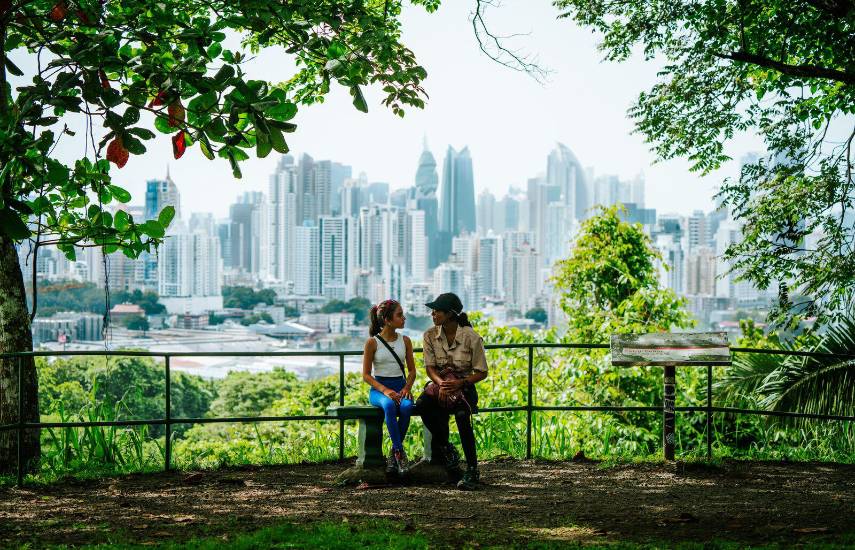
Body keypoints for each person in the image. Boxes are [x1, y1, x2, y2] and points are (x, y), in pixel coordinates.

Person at [416, 292, 488, 490]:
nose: (433, 314)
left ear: (450, 314)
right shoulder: (429, 335)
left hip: (464, 388)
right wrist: (441, 384)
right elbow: (430, 367)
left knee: (462, 416)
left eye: (437, 311)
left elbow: (482, 372)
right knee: (422, 404)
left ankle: (472, 468)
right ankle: (448, 450)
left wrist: (460, 383)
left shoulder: (471, 337)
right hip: (441, 387)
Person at [361, 299, 417, 475]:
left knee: (407, 407)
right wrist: (385, 391)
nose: (404, 318)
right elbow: (366, 375)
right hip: (379, 391)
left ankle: (394, 453)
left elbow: (412, 371)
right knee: (389, 405)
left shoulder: (405, 340)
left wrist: (407, 388)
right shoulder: (372, 342)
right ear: (387, 319)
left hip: (400, 388)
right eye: (399, 315)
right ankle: (400, 453)